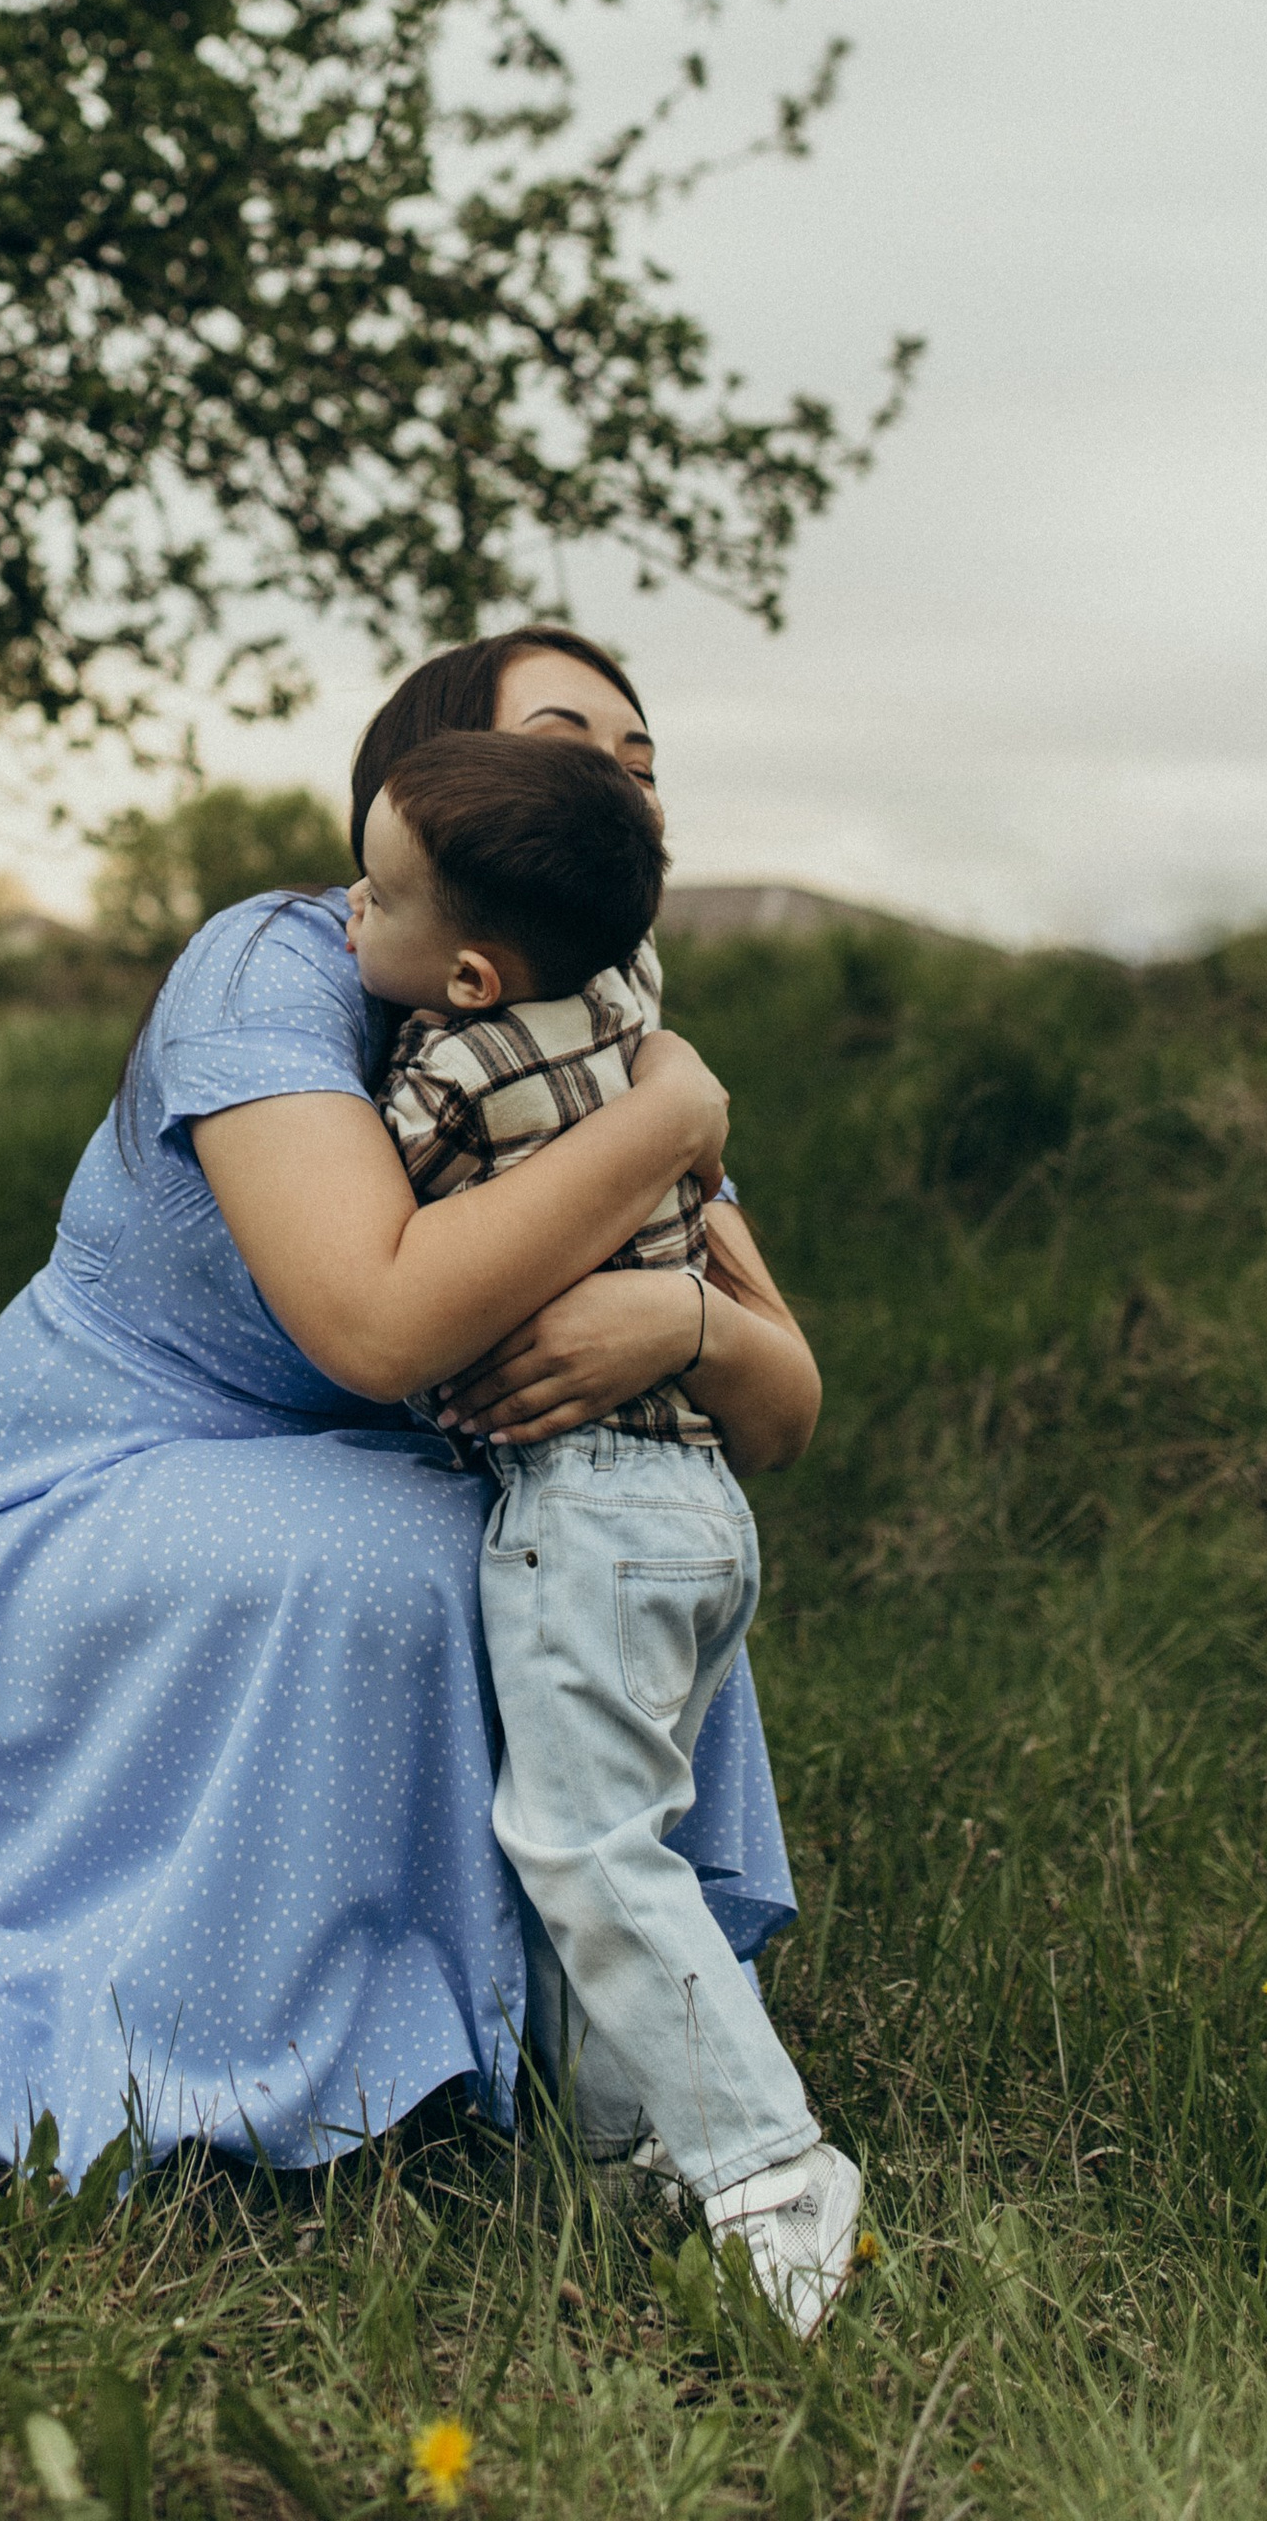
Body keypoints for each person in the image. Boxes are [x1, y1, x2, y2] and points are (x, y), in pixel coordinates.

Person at [0, 626, 821, 2183]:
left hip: (397, 1486)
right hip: (85, 1485)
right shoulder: (278, 965)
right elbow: (374, 1322)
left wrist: (672, 1316)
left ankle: (565, 2047)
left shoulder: (600, 1038)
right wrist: (674, 1116)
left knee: (624, 1538)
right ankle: (293, 2038)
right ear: (435, 779)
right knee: (414, 1556)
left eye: (638, 768)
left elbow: (781, 1408)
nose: (611, 783)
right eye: (561, 740)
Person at [352, 730, 860, 2333]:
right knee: (612, 1843)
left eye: (375, 899)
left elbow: (381, 1239)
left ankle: (774, 2171)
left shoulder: (447, 1068)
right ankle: (621, 2158)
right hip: (699, 1511)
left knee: (582, 1849)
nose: (349, 925)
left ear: (477, 972)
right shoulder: (632, 1020)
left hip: (586, 1507)